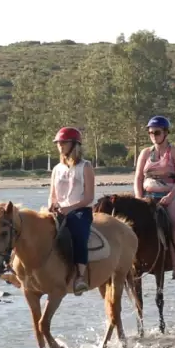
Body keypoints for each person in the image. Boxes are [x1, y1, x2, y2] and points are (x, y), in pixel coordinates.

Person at [134, 115, 175, 280]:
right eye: (150, 133)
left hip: (171, 194)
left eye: (157, 132)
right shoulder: (145, 153)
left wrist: (171, 197)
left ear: (166, 133)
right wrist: (138, 198)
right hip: (147, 196)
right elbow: (138, 178)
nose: (153, 136)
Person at [49, 126, 95, 295]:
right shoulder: (56, 169)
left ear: (74, 144)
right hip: (59, 210)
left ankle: (81, 276)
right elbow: (52, 195)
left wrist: (69, 208)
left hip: (80, 210)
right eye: (58, 143)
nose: (60, 146)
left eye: (64, 142)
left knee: (78, 233)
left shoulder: (86, 166)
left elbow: (89, 197)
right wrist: (52, 205)